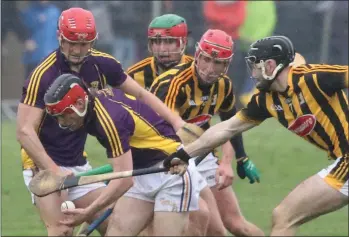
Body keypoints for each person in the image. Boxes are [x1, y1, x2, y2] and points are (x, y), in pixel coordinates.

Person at [16, 7, 185, 236]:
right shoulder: (43, 75)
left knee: (116, 226)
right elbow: (25, 131)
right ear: (59, 37)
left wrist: (177, 123)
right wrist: (54, 170)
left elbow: (142, 95)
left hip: (77, 162)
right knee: (62, 230)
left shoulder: (103, 64)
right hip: (42, 164)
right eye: (71, 43)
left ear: (93, 41)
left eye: (84, 45)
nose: (77, 51)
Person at [168, 35, 349, 236]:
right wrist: (184, 155)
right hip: (341, 159)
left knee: (284, 216)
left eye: (256, 66)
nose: (253, 74)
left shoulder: (314, 78)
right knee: (284, 217)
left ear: (270, 65)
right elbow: (226, 129)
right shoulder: (266, 101)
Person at [43, 73, 204, 236]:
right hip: (140, 173)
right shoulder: (91, 105)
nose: (62, 122)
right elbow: (123, 174)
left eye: (64, 115)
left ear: (79, 103)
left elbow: (124, 180)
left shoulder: (109, 120)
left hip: (171, 171)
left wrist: (89, 211)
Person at [150, 29, 264, 236]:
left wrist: (237, 159)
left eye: (218, 63)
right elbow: (160, 132)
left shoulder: (224, 85)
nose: (210, 69)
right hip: (169, 157)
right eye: (206, 60)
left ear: (227, 65)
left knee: (236, 225)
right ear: (197, 55)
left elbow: (232, 125)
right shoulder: (173, 83)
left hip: (202, 156)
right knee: (207, 226)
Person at [127, 13, 193, 91]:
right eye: (157, 41)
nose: (162, 49)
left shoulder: (196, 72)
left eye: (169, 41)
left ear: (184, 42)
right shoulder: (133, 75)